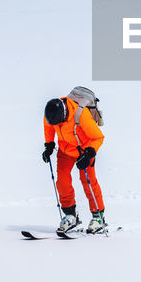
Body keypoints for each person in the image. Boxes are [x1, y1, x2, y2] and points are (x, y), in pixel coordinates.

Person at [42, 93, 107, 234]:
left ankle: (98, 217)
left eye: (59, 123)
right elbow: (48, 126)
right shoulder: (51, 114)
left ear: (64, 114)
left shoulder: (81, 115)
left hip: (84, 150)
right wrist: (49, 145)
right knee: (62, 181)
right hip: (65, 150)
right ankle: (70, 215)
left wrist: (90, 153)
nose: (56, 126)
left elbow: (98, 137)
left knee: (88, 181)